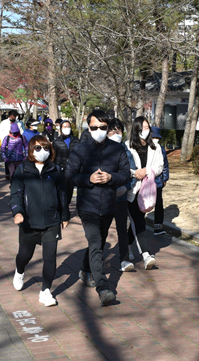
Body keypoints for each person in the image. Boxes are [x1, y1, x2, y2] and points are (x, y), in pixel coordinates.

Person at [65, 110, 130, 306]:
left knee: (98, 244)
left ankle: (85, 270)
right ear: (88, 127)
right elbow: (68, 175)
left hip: (109, 205)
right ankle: (103, 288)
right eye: (94, 127)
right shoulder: (80, 149)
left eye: (103, 128)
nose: (99, 131)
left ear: (108, 128)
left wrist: (112, 178)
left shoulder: (117, 150)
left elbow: (126, 174)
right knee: (95, 243)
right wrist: (88, 179)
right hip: (88, 206)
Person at [10, 136, 70, 306]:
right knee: (24, 255)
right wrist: (17, 212)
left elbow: (63, 194)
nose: (42, 152)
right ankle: (20, 271)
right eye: (37, 148)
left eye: (45, 148)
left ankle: (45, 291)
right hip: (29, 222)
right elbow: (16, 194)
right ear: (30, 150)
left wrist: (65, 215)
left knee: (50, 257)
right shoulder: (23, 170)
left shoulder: (55, 170)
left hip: (51, 222)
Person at [125, 116, 163, 270]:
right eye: (141, 128)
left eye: (147, 127)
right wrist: (135, 173)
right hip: (131, 189)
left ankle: (126, 245)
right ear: (135, 129)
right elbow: (121, 166)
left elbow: (160, 166)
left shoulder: (155, 147)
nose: (145, 131)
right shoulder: (127, 146)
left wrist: (146, 171)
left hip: (147, 190)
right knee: (138, 220)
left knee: (137, 220)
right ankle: (146, 254)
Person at [107, 118, 136, 272]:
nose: (116, 133)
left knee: (122, 229)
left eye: (119, 130)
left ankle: (124, 259)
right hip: (103, 198)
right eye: (112, 130)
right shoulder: (101, 151)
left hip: (121, 197)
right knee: (100, 232)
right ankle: (93, 263)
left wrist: (126, 187)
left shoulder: (126, 152)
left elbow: (133, 173)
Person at [52, 120, 80, 206]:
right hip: (60, 169)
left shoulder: (76, 141)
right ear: (60, 128)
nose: (66, 128)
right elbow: (53, 156)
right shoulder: (56, 142)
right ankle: (61, 209)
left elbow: (80, 155)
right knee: (60, 190)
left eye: (68, 126)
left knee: (69, 191)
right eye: (64, 126)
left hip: (72, 170)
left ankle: (66, 207)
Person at [150, 127, 169, 235]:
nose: (155, 139)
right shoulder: (144, 148)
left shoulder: (161, 149)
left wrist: (165, 179)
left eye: (157, 137)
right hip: (145, 181)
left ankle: (158, 226)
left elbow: (165, 166)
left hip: (157, 182)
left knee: (158, 203)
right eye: (154, 137)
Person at [0, 110, 24, 180]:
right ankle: (8, 173)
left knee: (17, 161)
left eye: (14, 116)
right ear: (9, 116)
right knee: (8, 160)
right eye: (12, 116)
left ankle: (16, 174)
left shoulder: (19, 123)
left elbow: (21, 132)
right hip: (7, 143)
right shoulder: (4, 123)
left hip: (17, 144)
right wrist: (5, 140)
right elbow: (0, 132)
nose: (13, 118)